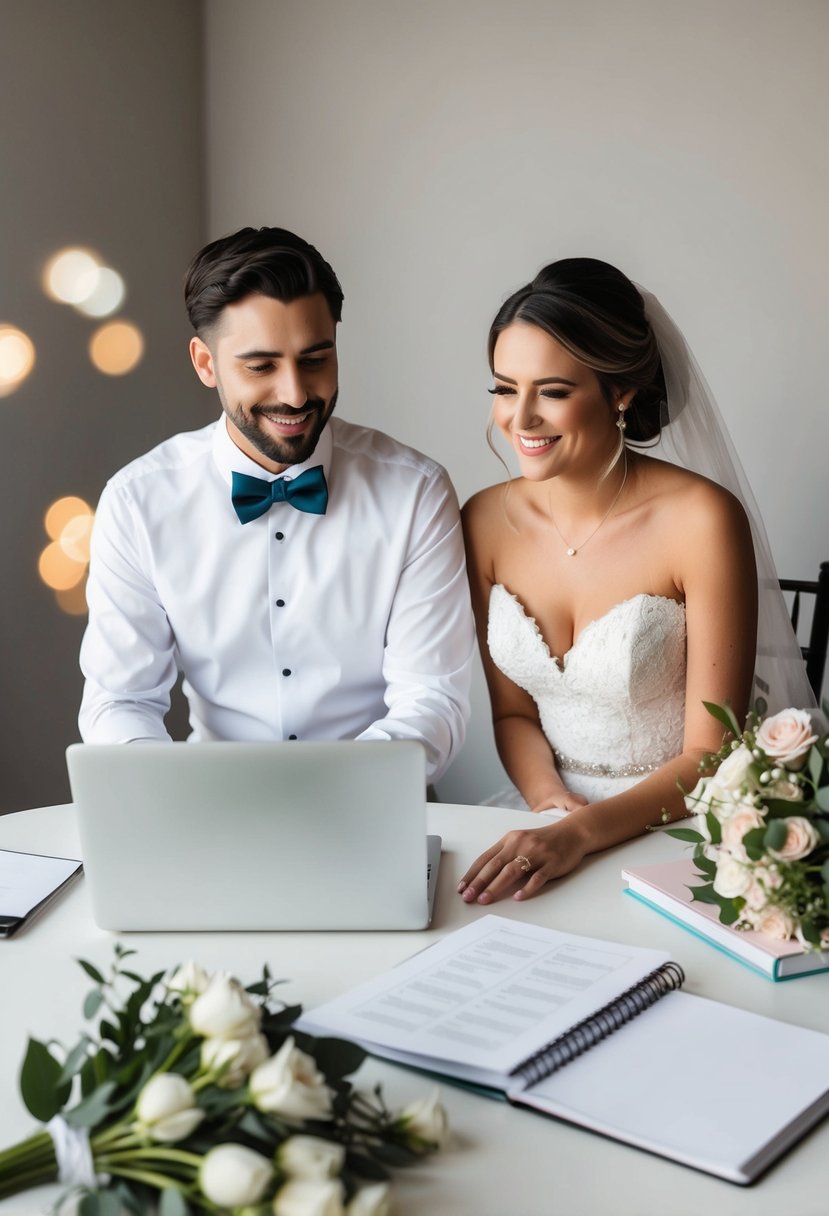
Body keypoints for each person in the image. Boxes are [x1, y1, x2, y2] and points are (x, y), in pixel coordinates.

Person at [458, 257, 814, 904]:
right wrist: (550, 809)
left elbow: (710, 752)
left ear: (619, 391)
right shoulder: (481, 520)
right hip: (546, 818)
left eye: (553, 391)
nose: (520, 418)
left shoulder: (700, 521)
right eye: (504, 388)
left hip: (679, 827)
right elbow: (512, 712)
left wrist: (579, 835)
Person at [79, 226, 475, 783]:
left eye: (315, 359)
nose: (294, 393)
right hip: (205, 808)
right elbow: (119, 701)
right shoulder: (137, 502)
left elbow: (432, 700)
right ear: (205, 363)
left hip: (372, 804)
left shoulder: (416, 492)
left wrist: (334, 793)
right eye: (261, 366)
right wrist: (170, 794)